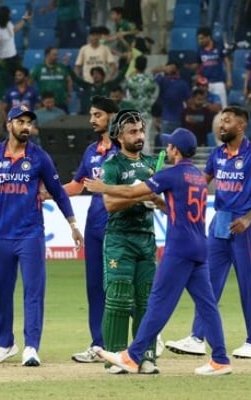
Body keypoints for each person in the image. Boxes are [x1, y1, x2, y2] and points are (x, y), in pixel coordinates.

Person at [87, 128, 233, 376]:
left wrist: (104, 187)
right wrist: (158, 202)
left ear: (176, 150)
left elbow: (132, 192)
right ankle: (220, 359)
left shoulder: (172, 174)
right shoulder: (197, 176)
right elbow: (177, 210)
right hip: (199, 246)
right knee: (208, 305)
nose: (166, 149)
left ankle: (133, 356)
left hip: (180, 249)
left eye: (169, 146)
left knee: (157, 302)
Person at [0, 106, 84, 367]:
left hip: (31, 234)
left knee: (33, 292)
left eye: (29, 123)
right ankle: (4, 343)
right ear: (9, 124)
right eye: (20, 121)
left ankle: (31, 347)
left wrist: (73, 225)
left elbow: (58, 191)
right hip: (1, 235)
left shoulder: (40, 157)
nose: (25, 127)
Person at [165, 106, 251, 359]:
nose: (220, 125)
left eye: (226, 121)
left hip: (244, 225)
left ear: (240, 126)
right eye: (220, 121)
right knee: (207, 283)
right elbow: (199, 185)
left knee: (249, 284)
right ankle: (196, 338)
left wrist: (250, 217)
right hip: (219, 224)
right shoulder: (216, 154)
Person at [98, 108, 163, 374]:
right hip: (119, 239)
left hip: (146, 238)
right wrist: (140, 195)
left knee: (146, 299)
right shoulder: (112, 166)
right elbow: (110, 204)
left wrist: (157, 200)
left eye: (140, 131)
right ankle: (113, 357)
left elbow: (164, 203)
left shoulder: (151, 163)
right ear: (119, 136)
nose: (139, 136)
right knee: (118, 297)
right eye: (132, 132)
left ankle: (144, 356)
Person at [54, 96, 119, 363]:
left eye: (98, 115)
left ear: (112, 117)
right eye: (91, 115)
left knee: (120, 286)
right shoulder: (91, 150)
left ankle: (144, 338)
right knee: (94, 288)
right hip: (94, 227)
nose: (92, 120)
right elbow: (78, 184)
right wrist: (48, 193)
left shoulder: (126, 149)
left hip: (118, 228)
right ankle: (98, 344)